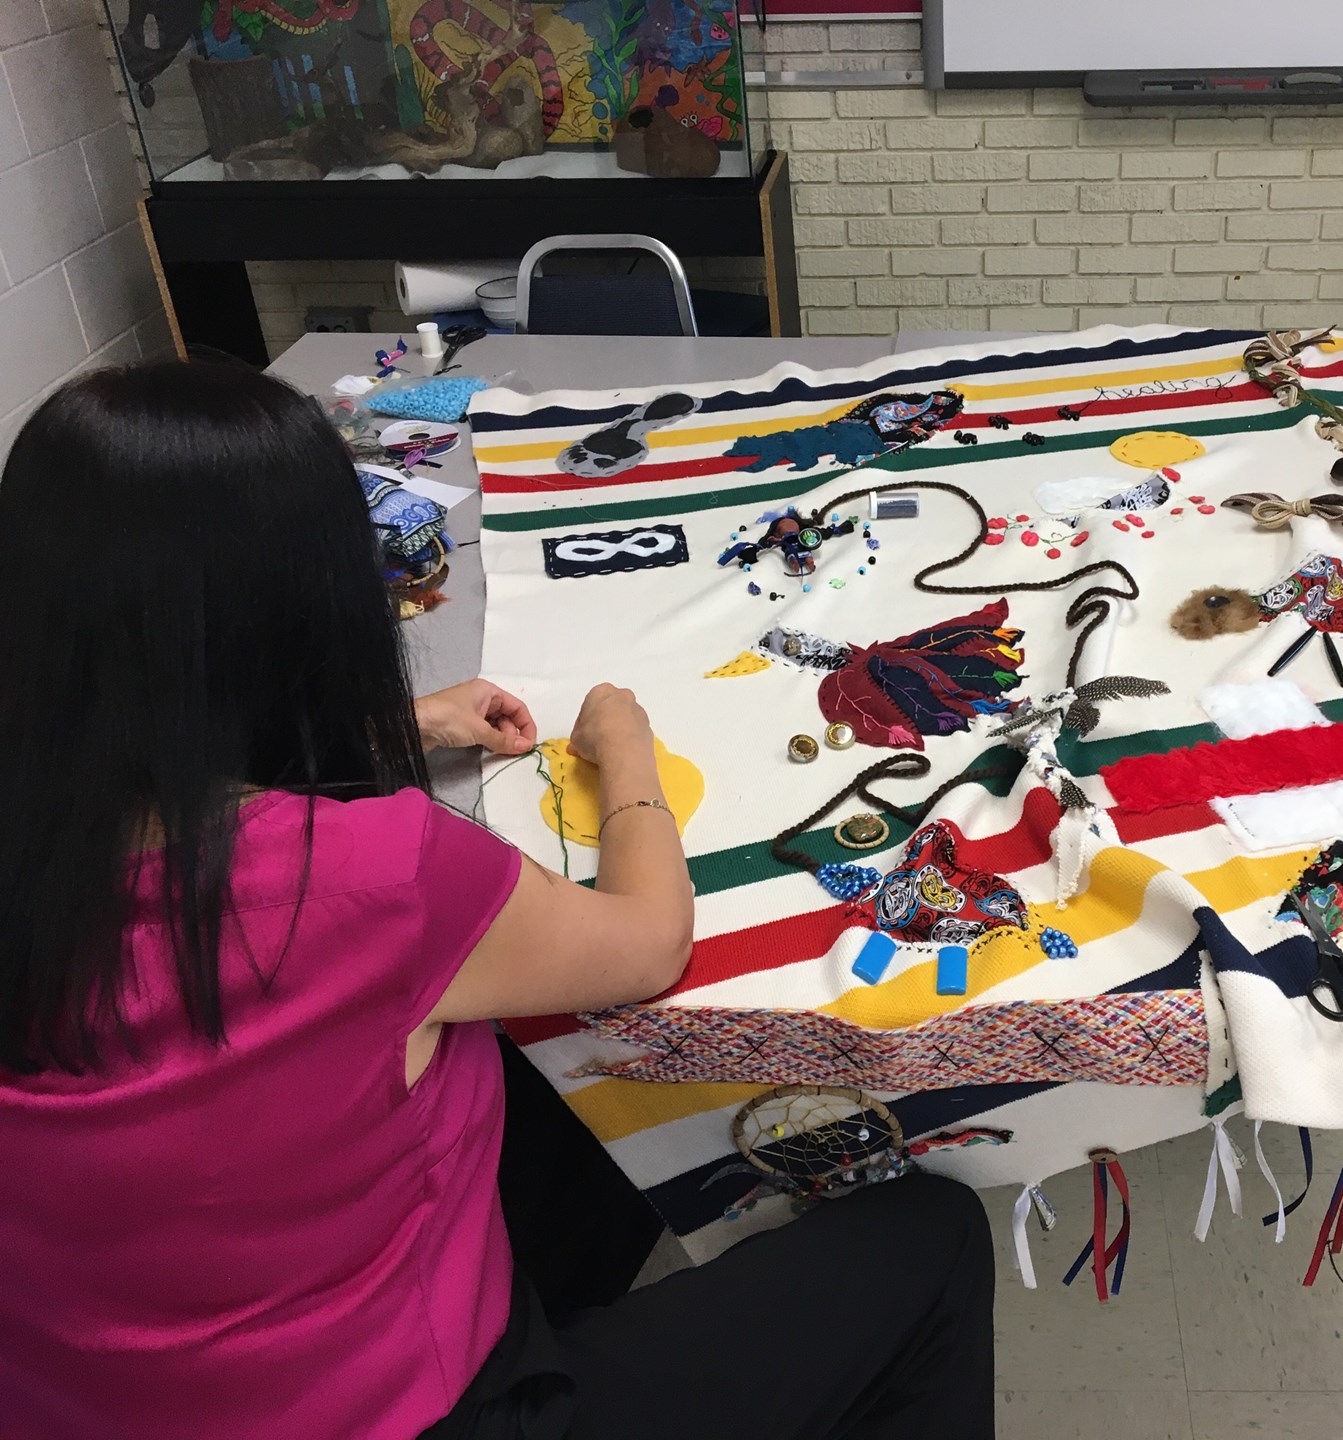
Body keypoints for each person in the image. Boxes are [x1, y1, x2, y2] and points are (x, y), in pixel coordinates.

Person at [0, 361, 995, 1440]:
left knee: (557, 1105)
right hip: (424, 1417)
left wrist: (402, 727)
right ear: (308, 610)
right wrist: (628, 758)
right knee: (930, 1239)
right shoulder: (371, 876)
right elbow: (648, 943)